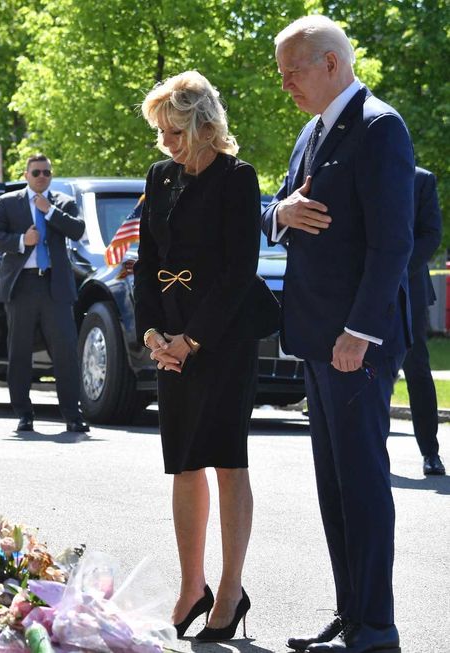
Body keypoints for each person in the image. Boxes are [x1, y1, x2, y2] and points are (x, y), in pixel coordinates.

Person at [264, 16, 414, 653]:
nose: (286, 85)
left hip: (356, 343)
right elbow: (274, 202)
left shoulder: (380, 127)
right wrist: (280, 213)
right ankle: (350, 614)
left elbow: (392, 244)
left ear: (330, 63)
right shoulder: (312, 130)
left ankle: (376, 623)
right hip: (318, 338)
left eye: (291, 71)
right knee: (335, 485)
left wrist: (359, 331)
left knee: (362, 481)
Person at [134, 70, 278, 643]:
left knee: (225, 458)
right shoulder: (160, 177)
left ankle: (230, 588)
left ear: (203, 123)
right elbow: (145, 264)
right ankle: (191, 587)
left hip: (221, 340)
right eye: (161, 132)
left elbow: (241, 271)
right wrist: (153, 337)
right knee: (183, 461)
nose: (166, 142)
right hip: (169, 340)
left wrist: (191, 341)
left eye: (175, 130)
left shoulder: (238, 178)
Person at [0, 154, 89, 434]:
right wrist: (21, 240)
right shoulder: (8, 202)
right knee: (19, 353)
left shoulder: (62, 202)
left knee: (66, 352)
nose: (41, 176)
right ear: (26, 175)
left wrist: (50, 211)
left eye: (46, 172)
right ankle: (23, 413)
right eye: (36, 172)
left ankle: (72, 415)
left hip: (55, 286)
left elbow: (77, 230)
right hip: (22, 286)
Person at [404, 167, 444, 476]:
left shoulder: (422, 180)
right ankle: (367, 453)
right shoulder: (360, 171)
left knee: (417, 369)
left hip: (410, 288)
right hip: (360, 288)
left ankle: (430, 451)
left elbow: (431, 234)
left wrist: (394, 268)